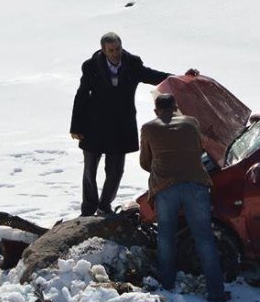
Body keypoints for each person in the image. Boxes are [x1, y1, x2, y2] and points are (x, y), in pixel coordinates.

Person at [70, 32, 194, 217]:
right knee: (90, 170)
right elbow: (81, 95)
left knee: (115, 171)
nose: (115, 53)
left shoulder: (132, 63)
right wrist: (76, 126)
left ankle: (104, 206)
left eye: (117, 49)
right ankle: (88, 210)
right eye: (110, 50)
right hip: (94, 126)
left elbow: (154, 76)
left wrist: (182, 79)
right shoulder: (91, 66)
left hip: (120, 126)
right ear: (104, 50)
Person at [139, 94, 229, 302]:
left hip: (165, 187)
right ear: (176, 107)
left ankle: (167, 286)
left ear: (156, 111)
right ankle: (216, 292)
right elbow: (199, 150)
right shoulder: (191, 123)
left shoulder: (148, 128)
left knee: (166, 237)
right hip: (196, 184)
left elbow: (145, 162)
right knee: (204, 237)